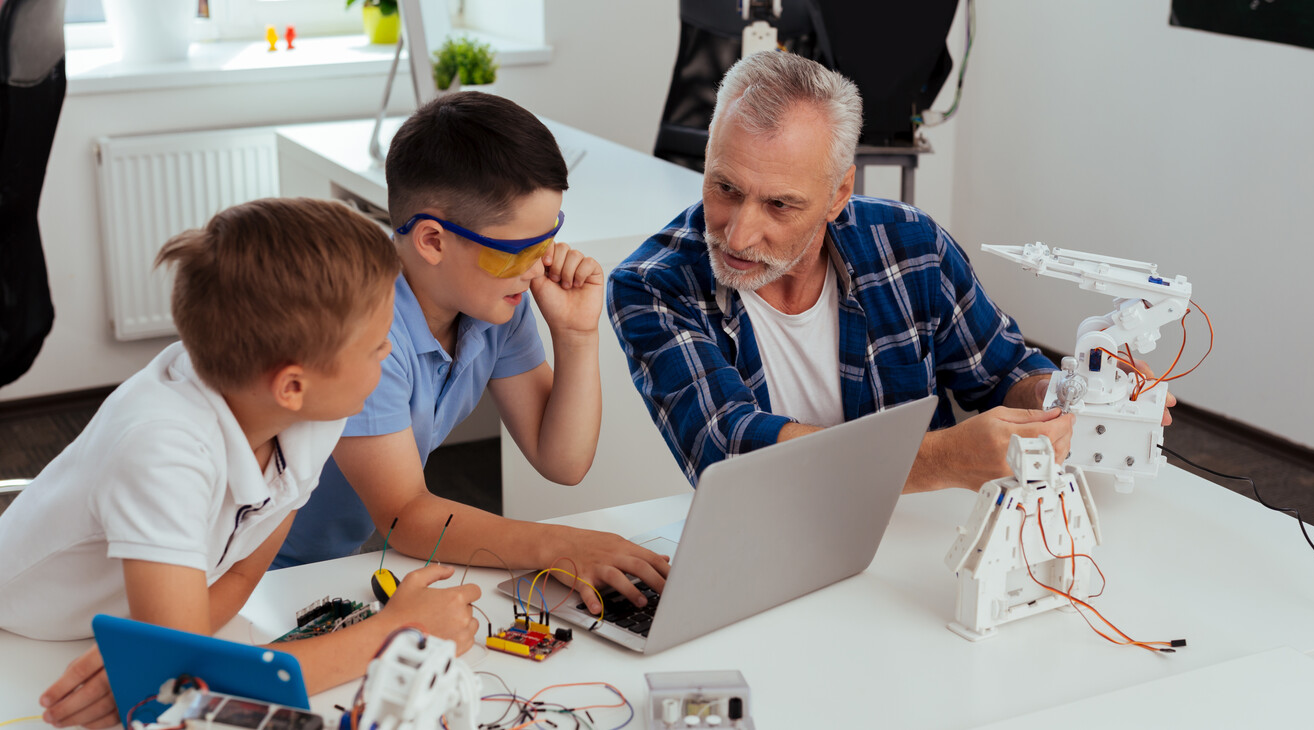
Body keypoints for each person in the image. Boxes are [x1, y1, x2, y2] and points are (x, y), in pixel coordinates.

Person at [0, 198, 481, 728]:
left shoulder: (312, 412)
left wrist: (162, 666)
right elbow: (178, 685)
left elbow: (244, 571)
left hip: (149, 618)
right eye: (377, 345)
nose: (390, 354)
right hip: (27, 643)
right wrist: (398, 634)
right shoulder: (162, 450)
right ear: (292, 385)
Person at [609, 52, 1173, 491]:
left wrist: (1075, 393)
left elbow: (1002, 374)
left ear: (838, 195)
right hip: (764, 550)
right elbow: (729, 450)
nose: (737, 234)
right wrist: (942, 460)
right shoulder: (652, 285)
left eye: (779, 205)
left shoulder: (911, 245)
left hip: (914, 545)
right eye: (724, 188)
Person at [274, 92, 670, 613]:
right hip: (256, 571)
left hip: (330, 562)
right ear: (433, 241)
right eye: (516, 252)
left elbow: (563, 461)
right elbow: (403, 516)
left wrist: (576, 336)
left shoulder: (493, 304)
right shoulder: (364, 327)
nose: (537, 269)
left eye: (547, 240)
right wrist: (561, 546)